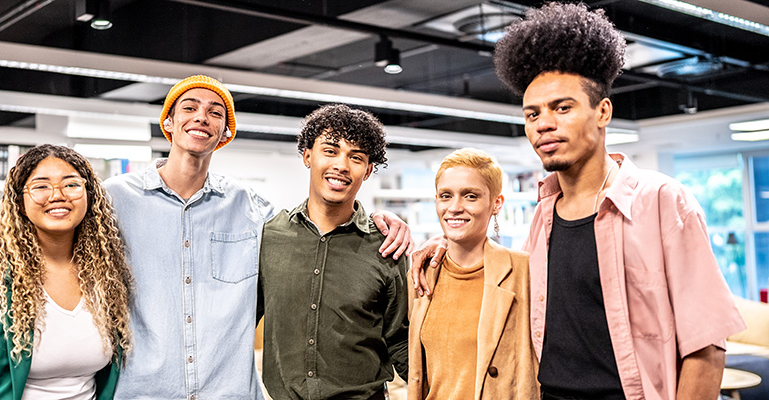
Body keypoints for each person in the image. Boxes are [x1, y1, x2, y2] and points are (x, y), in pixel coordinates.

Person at [0, 76, 412, 399]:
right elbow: (37, 229)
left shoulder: (256, 213)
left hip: (229, 394)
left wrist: (382, 223)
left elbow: (320, 236)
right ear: (168, 122)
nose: (201, 117)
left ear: (225, 133)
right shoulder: (110, 202)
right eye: (188, 107)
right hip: (140, 393)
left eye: (215, 112)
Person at [412, 3, 746, 400]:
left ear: (602, 111)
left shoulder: (661, 201)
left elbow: (706, 347)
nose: (544, 124)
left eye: (562, 108)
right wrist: (445, 245)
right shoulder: (543, 216)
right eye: (532, 113)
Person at [0, 144, 132, 399]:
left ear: (89, 194)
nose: (57, 195)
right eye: (40, 186)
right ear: (19, 201)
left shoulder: (108, 274)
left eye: (71, 184)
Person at [257, 104, 408, 400]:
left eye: (356, 157)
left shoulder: (387, 246)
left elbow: (401, 340)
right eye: (330, 150)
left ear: (368, 171)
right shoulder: (269, 236)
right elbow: (238, 319)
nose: (341, 165)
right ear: (307, 156)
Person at [407, 147, 538, 400]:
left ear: (496, 203)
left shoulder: (524, 271)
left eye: (470, 196)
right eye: (445, 196)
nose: (454, 207)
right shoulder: (421, 274)